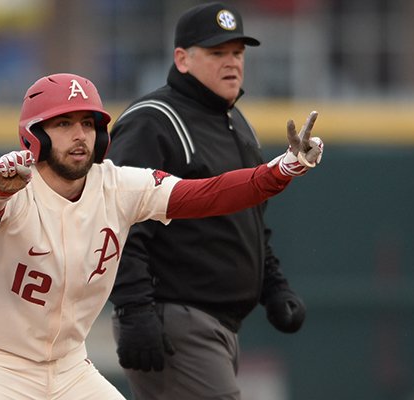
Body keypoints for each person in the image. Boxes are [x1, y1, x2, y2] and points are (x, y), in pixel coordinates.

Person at [0, 72, 323, 400]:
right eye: (63, 124)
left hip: (67, 366)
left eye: (88, 123)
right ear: (35, 135)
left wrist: (281, 170)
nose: (79, 135)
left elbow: (205, 194)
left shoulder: (117, 185)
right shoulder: (11, 178)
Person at [107, 3, 311, 399]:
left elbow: (250, 223)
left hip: (219, 325)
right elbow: (117, 220)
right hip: (175, 319)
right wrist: (133, 310)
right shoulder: (154, 119)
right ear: (182, 59)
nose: (231, 62)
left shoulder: (236, 123)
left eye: (237, 52)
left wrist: (275, 287)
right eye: (217, 53)